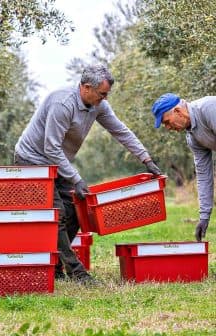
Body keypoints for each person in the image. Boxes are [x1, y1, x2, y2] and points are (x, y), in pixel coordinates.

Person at [14, 64, 161, 284]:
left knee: (77, 210)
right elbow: (51, 148)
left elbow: (120, 130)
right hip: (32, 160)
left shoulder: (98, 105)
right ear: (85, 87)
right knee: (57, 214)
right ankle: (77, 272)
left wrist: (146, 159)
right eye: (102, 94)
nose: (105, 98)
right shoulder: (62, 104)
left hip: (57, 162)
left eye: (106, 94)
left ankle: (53, 266)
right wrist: (77, 179)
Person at [151, 93, 216, 242]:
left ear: (178, 111)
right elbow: (204, 174)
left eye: (166, 122)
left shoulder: (209, 108)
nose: (167, 128)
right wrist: (204, 217)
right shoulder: (193, 137)